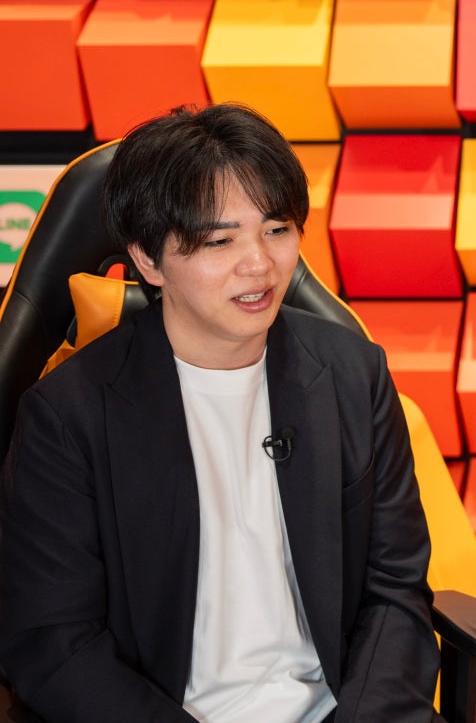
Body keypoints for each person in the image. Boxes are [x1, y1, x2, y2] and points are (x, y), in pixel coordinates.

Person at [0, 104, 439, 722]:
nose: (259, 263)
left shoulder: (352, 375)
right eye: (219, 240)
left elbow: (396, 591)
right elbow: (54, 643)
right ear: (149, 260)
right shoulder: (67, 416)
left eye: (276, 229)